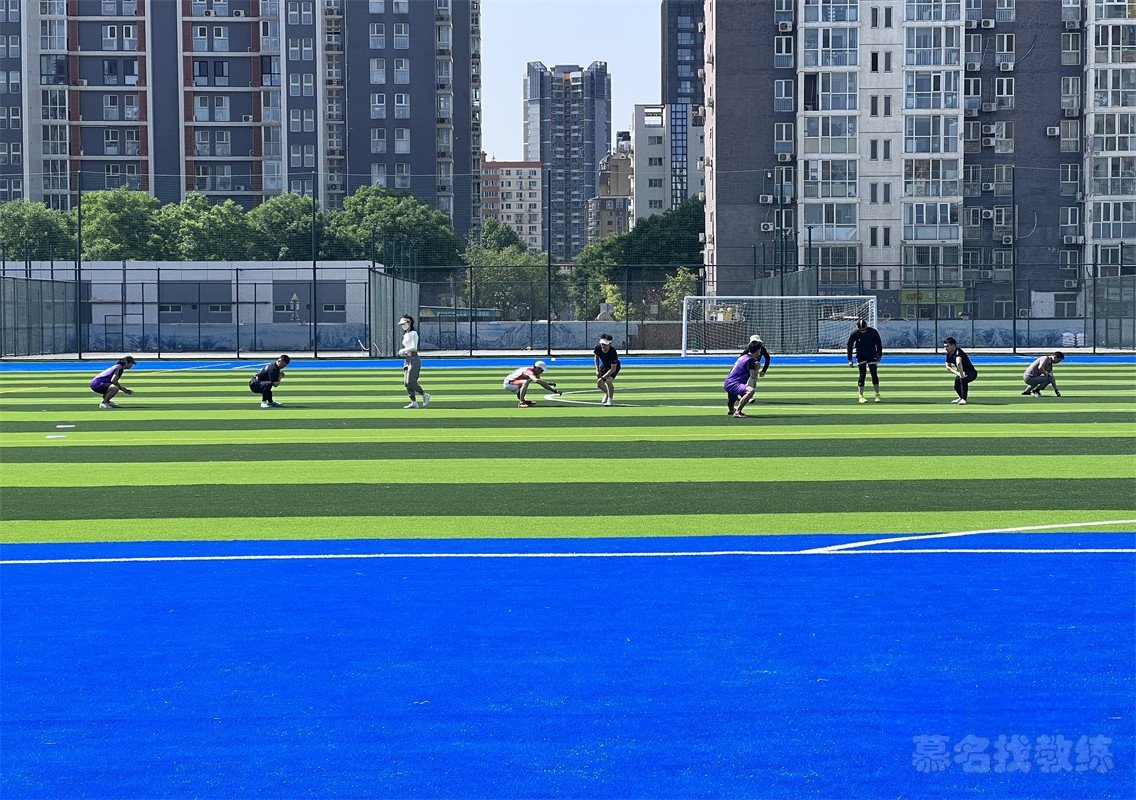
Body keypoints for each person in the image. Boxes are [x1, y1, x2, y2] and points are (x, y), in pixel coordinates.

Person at [846, 319, 884, 403]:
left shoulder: (873, 332)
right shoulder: (855, 334)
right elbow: (849, 346)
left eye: (864, 329)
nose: (862, 331)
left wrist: (879, 355)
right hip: (861, 355)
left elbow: (878, 343)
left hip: (872, 354)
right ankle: (861, 396)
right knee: (862, 375)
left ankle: (877, 394)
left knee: (874, 374)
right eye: (861, 330)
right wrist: (850, 359)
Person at [397, 314, 430, 409]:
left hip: (414, 359)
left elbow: (414, 347)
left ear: (409, 323)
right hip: (407, 359)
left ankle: (424, 395)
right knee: (406, 383)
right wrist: (403, 352)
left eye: (404, 324)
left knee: (410, 381)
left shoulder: (413, 333)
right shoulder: (405, 334)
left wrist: (404, 350)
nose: (402, 326)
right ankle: (414, 402)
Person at [724, 341, 763, 418]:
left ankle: (731, 410)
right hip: (734, 383)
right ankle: (737, 412)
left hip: (728, 382)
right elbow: (753, 376)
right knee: (751, 391)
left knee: (732, 395)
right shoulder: (750, 360)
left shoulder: (743, 357)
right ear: (757, 350)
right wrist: (757, 368)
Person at [942, 337, 978, 404]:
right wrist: (957, 373)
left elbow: (959, 363)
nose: (945, 348)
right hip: (961, 371)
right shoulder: (948, 353)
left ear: (953, 345)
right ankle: (961, 397)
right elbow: (948, 366)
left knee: (963, 380)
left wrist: (961, 374)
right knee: (956, 386)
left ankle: (964, 399)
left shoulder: (958, 352)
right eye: (945, 346)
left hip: (971, 372)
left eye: (947, 346)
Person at [593, 334, 621, 406]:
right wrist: (597, 370)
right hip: (604, 366)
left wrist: (603, 377)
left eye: (605, 344)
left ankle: (610, 400)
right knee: (599, 384)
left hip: (613, 368)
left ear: (610, 343)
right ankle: (607, 393)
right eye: (602, 344)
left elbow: (613, 369)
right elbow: (596, 357)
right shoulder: (598, 348)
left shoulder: (613, 352)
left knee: (609, 381)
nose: (603, 346)